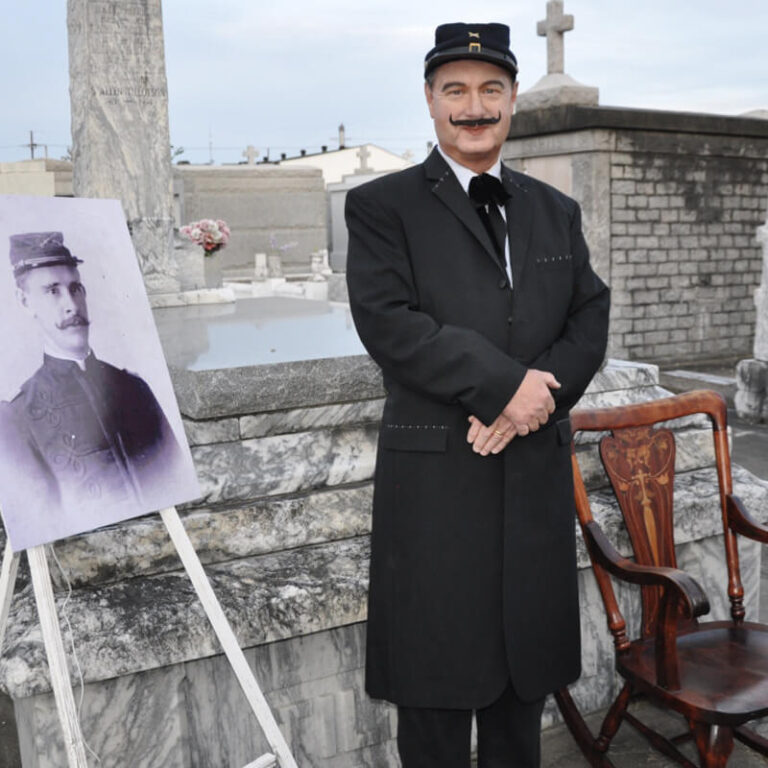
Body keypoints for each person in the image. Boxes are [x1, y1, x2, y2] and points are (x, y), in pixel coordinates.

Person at [345, 22, 610, 768]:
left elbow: (590, 314)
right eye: (455, 89)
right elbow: (390, 325)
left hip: (531, 485)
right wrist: (505, 389)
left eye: (491, 89)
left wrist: (538, 401)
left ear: (513, 99)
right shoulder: (380, 207)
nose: (474, 105)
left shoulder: (555, 210)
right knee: (433, 698)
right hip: (437, 492)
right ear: (430, 100)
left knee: (519, 698)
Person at [0, 231, 186, 550]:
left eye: (75, 288)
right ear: (24, 301)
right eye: (52, 291)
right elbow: (42, 516)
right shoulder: (18, 417)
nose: (71, 305)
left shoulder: (135, 389)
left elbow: (174, 478)